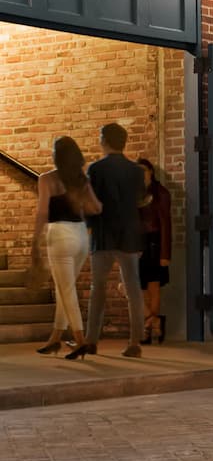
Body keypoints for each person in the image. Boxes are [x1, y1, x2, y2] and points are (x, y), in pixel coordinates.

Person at [75, 123, 146, 360]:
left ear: (104, 140)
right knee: (133, 289)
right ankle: (135, 341)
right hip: (129, 234)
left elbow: (89, 202)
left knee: (98, 290)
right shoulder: (136, 171)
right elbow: (139, 201)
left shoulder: (95, 169)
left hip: (103, 233)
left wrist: (88, 227)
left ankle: (92, 340)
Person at [29, 137, 103, 358]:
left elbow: (43, 211)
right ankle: (55, 338)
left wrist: (35, 241)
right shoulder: (82, 180)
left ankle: (81, 341)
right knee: (65, 288)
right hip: (81, 235)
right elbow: (97, 208)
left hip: (59, 235)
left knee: (66, 290)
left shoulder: (47, 179)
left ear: (56, 155)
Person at [136, 159, 172, 344]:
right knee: (135, 287)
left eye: (143, 170)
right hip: (137, 244)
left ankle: (148, 327)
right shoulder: (133, 193)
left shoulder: (161, 193)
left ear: (150, 171)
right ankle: (154, 320)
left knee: (153, 286)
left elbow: (166, 224)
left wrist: (165, 254)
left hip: (154, 243)